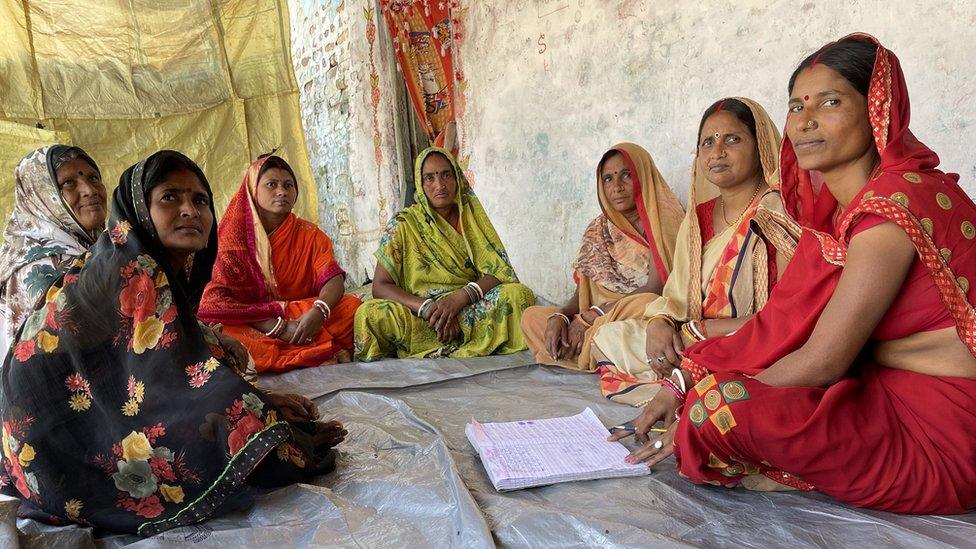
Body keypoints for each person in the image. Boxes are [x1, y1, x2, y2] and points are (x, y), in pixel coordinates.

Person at [612, 34, 976, 515]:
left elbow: (822, 359)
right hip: (878, 392)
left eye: (829, 102)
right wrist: (682, 380)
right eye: (796, 106)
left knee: (717, 410)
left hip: (944, 433)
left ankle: (782, 469)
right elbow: (778, 325)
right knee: (713, 393)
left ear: (878, 111)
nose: (805, 122)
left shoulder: (891, 207)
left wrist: (704, 399)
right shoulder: (835, 218)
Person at [0, 150, 346, 535]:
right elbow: (164, 375)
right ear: (140, 209)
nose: (189, 210)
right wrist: (263, 407)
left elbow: (173, 349)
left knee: (223, 373)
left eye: (200, 200)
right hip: (53, 444)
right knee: (234, 418)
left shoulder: (138, 255)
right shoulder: (135, 266)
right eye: (170, 197)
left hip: (69, 416)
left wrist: (252, 393)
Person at [591, 98, 798, 406]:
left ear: (761, 145)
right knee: (607, 339)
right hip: (691, 337)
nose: (717, 152)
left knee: (745, 361)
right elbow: (675, 293)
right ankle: (688, 382)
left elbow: (789, 317)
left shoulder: (778, 210)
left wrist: (703, 331)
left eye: (732, 139)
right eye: (707, 142)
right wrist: (660, 322)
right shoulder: (699, 217)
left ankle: (688, 387)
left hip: (747, 339)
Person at [354, 147, 535, 361]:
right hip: (422, 316)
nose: (439, 185)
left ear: (457, 178)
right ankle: (443, 341)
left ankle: (450, 342)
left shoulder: (471, 218)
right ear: (420, 185)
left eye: (446, 175)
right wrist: (427, 308)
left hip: (467, 310)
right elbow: (380, 286)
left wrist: (459, 298)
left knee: (518, 295)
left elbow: (499, 271)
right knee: (369, 315)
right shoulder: (404, 224)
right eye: (429, 178)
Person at [520, 143, 684, 371]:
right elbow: (581, 294)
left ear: (643, 175)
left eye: (626, 175)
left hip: (636, 314)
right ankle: (597, 352)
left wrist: (591, 317)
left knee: (647, 305)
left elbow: (656, 288)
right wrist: (563, 316)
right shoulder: (599, 228)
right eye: (608, 178)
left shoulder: (665, 219)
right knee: (531, 317)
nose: (616, 186)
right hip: (596, 319)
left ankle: (590, 352)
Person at [198, 155, 360, 373]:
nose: (282, 191)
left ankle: (306, 349)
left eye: (288, 185)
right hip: (252, 322)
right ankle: (316, 351)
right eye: (271, 184)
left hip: (301, 315)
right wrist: (276, 326)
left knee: (351, 307)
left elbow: (333, 279)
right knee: (218, 332)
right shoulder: (231, 240)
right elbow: (214, 302)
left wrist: (319, 311)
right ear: (253, 189)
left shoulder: (310, 234)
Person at [0, 145, 107, 353]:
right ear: (42, 196)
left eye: (94, 178)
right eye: (69, 183)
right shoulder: (42, 268)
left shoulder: (92, 246)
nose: (90, 190)